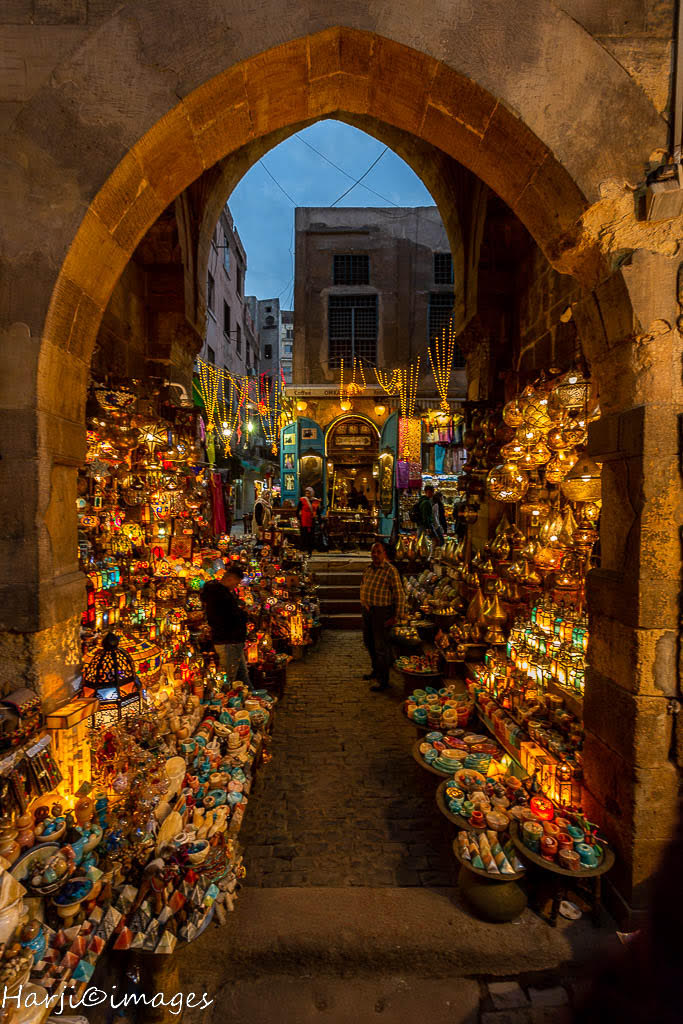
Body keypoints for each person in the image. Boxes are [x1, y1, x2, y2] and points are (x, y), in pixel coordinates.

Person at [360, 540, 406, 692]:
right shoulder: (369, 569)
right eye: (373, 552)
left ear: (384, 554)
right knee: (369, 643)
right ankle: (376, 670)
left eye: (378, 552)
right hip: (369, 611)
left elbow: (399, 595)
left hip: (382, 612)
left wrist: (397, 616)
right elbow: (363, 586)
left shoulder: (390, 570)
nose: (375, 555)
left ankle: (384, 680)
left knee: (381, 647)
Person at [200, 564, 249, 683]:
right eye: (236, 583)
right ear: (230, 578)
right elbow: (228, 617)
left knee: (242, 676)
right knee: (230, 677)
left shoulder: (219, 593)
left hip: (231, 640)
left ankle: (251, 696)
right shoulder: (220, 595)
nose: (236, 586)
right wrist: (244, 614)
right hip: (228, 640)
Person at [296, 486, 319, 554]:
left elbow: (318, 511)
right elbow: (298, 510)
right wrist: (298, 519)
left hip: (312, 520)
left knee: (311, 535)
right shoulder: (302, 500)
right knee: (304, 534)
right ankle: (304, 548)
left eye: (309, 493)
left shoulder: (315, 501)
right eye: (306, 493)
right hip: (304, 520)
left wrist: (319, 519)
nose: (307, 494)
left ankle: (310, 549)